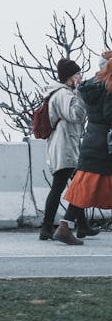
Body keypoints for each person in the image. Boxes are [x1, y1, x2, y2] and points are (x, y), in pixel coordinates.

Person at [39, 59, 99, 243]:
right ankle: (47, 227)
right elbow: (76, 115)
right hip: (65, 147)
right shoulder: (63, 95)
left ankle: (81, 225)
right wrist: (80, 95)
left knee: (78, 185)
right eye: (77, 75)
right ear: (68, 78)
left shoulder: (62, 93)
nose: (80, 77)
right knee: (64, 186)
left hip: (66, 145)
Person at [57, 56, 112, 244]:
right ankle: (64, 227)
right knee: (86, 187)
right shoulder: (109, 87)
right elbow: (109, 115)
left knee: (85, 187)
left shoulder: (90, 86)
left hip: (92, 140)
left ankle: (66, 226)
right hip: (104, 143)